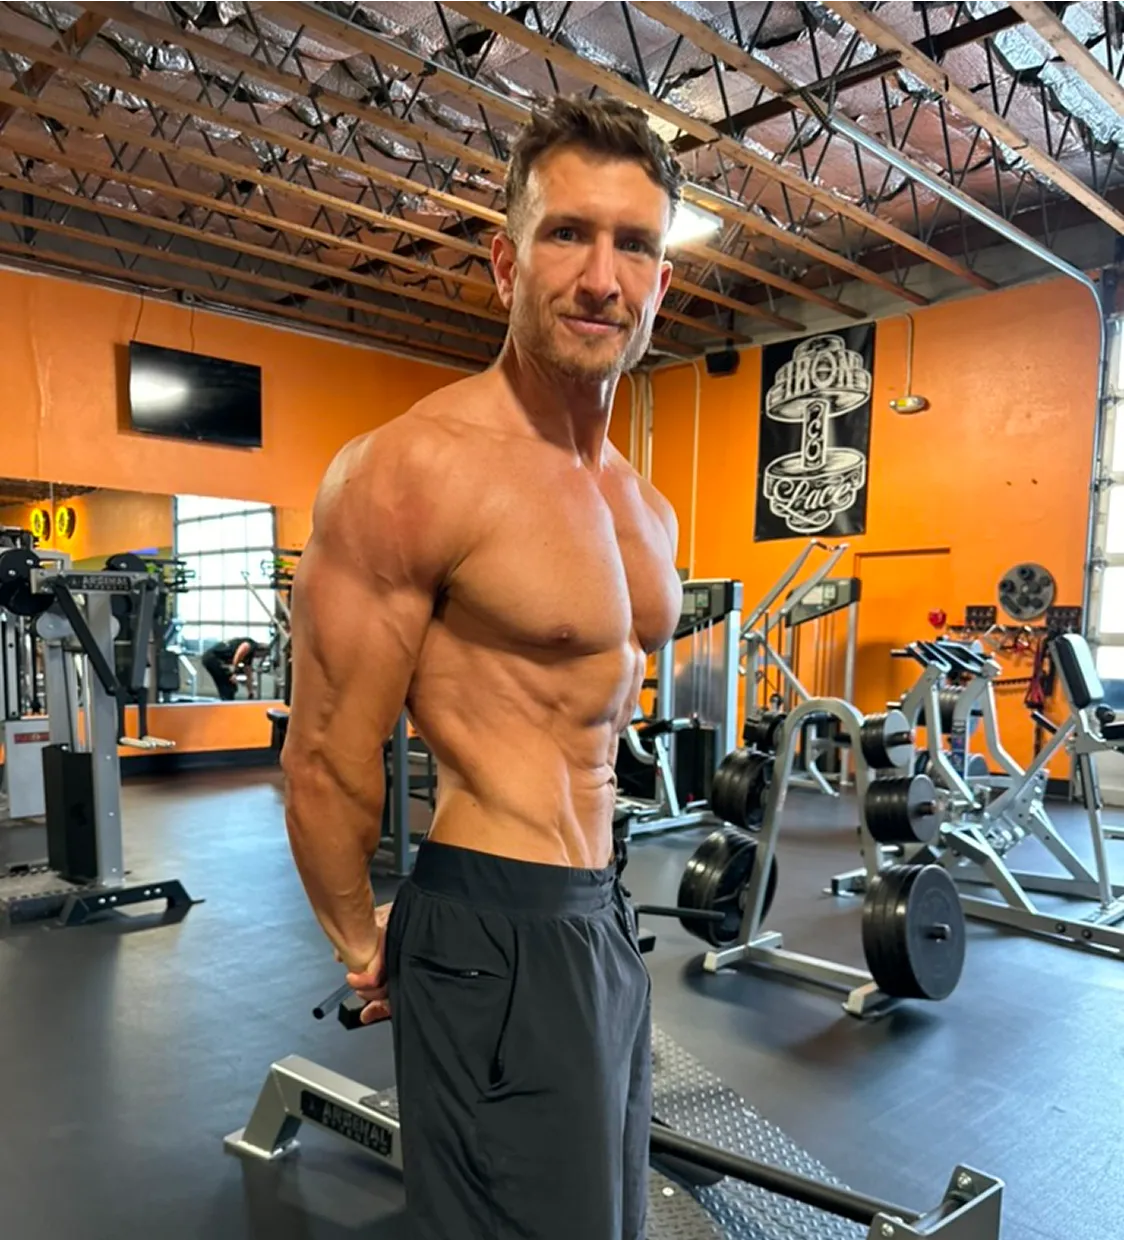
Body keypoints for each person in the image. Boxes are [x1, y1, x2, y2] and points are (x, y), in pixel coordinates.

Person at [283, 94, 684, 1240]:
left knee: (605, 1218)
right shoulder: (415, 468)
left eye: (635, 245)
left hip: (603, 914)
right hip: (489, 920)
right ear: (505, 262)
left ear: (662, 281)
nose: (601, 276)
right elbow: (324, 754)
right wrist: (370, 948)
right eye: (567, 234)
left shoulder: (645, 511)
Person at [201, 635, 260, 700]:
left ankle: (226, 702)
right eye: (260, 656)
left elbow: (249, 675)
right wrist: (234, 673)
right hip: (212, 658)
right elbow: (238, 655)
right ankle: (227, 704)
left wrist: (250, 692)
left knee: (229, 685)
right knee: (229, 685)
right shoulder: (251, 645)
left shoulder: (249, 657)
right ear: (261, 650)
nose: (258, 658)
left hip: (212, 659)